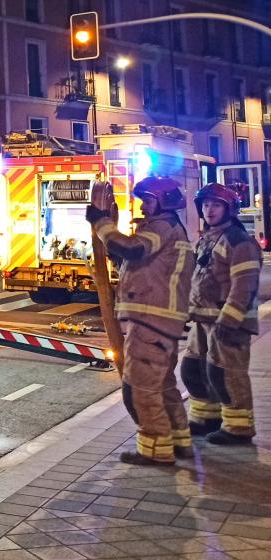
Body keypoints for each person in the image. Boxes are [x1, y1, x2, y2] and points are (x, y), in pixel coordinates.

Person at [86, 177, 196, 466]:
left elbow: (134, 249)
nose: (142, 206)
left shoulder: (162, 227)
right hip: (161, 321)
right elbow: (139, 261)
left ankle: (156, 448)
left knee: (142, 387)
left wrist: (101, 224)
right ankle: (178, 438)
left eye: (148, 200)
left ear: (164, 202)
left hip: (151, 318)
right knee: (163, 384)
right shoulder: (170, 228)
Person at [180, 183, 261, 445]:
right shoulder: (207, 238)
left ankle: (239, 428)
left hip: (227, 322)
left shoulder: (238, 241)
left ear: (229, 209)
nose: (209, 210)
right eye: (205, 205)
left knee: (226, 373)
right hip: (204, 318)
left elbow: (244, 283)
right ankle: (207, 418)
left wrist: (231, 318)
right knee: (193, 369)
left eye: (215, 205)